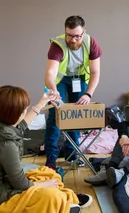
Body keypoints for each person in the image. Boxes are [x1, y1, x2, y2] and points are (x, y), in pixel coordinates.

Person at [0, 85, 92, 213]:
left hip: (0, 185)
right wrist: (42, 185)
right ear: (16, 114)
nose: (26, 110)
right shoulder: (5, 145)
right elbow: (20, 184)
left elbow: (21, 125)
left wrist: (42, 102)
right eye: (24, 109)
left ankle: (63, 200)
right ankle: (63, 202)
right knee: (49, 193)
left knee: (47, 173)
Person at [44, 15, 102, 170]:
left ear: (83, 33)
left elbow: (95, 72)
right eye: (69, 35)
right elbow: (50, 73)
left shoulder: (91, 43)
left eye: (77, 36)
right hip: (60, 81)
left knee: (76, 115)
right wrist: (54, 92)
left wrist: (88, 94)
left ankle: (73, 155)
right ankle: (51, 158)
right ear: (65, 32)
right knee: (55, 117)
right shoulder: (58, 44)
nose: (73, 40)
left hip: (79, 79)